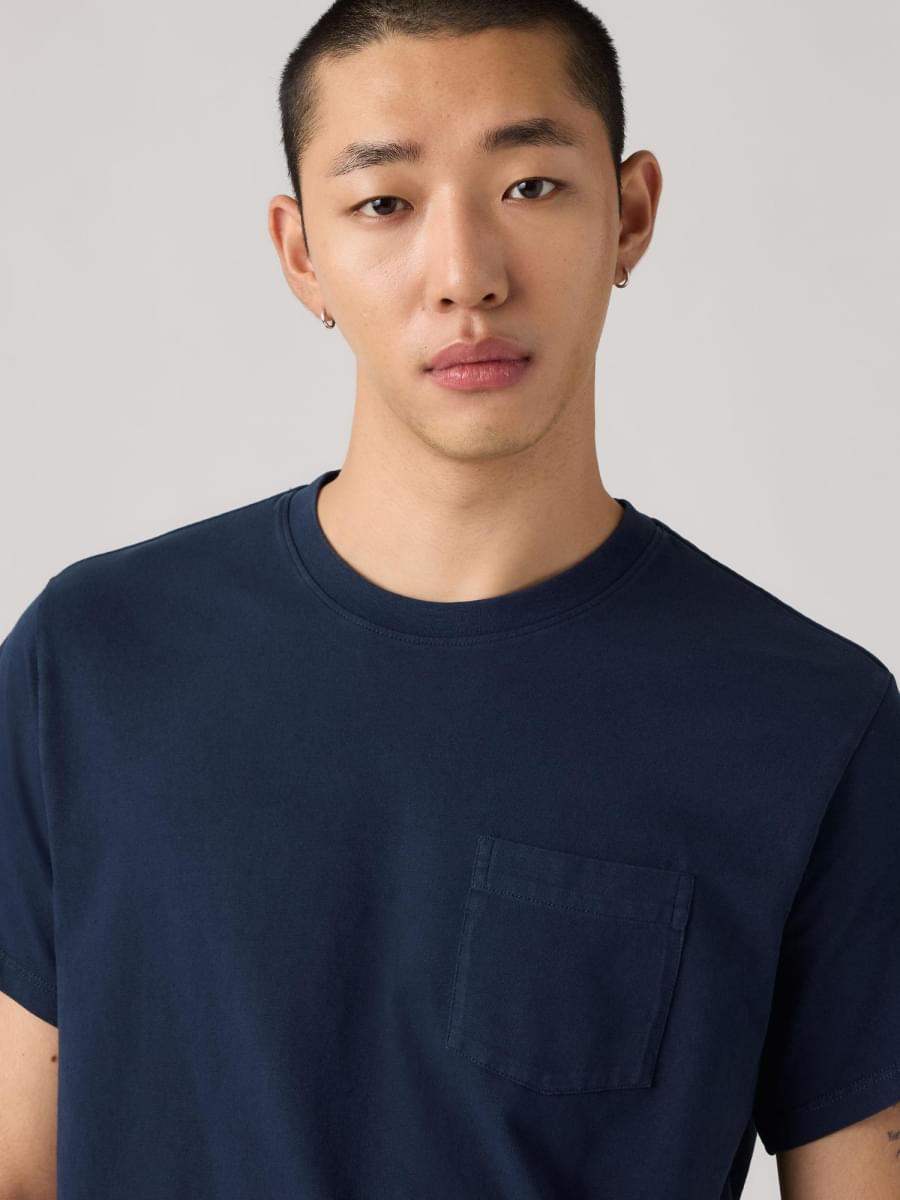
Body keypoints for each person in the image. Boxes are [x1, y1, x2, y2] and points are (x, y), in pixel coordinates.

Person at [2, 3, 898, 1198]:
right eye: (384, 202)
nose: (466, 275)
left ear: (630, 213)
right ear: (302, 253)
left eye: (531, 187)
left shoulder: (811, 723)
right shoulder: (92, 660)